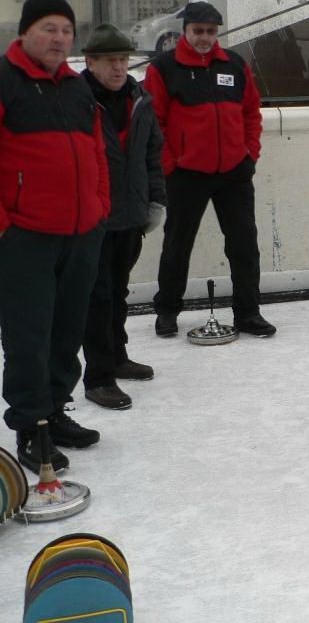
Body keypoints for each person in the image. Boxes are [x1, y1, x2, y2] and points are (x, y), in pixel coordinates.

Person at [0, 0, 108, 473]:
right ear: (26, 32)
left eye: (66, 30)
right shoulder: (5, 80)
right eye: (49, 28)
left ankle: (55, 411)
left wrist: (100, 207)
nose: (60, 38)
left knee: (68, 330)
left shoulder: (76, 84)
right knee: (29, 335)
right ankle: (30, 428)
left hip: (82, 232)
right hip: (26, 237)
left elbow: (97, 152)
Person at [145, 1, 276, 338]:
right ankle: (167, 311)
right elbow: (153, 122)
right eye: (198, 31)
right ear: (184, 31)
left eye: (210, 32)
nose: (204, 38)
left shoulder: (234, 65)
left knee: (244, 245)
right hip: (186, 173)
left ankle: (248, 313)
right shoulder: (164, 68)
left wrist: (250, 154)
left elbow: (251, 112)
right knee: (178, 244)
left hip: (234, 172)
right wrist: (170, 165)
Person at [80, 24, 166, 411]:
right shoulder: (76, 101)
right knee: (95, 298)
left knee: (117, 292)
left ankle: (117, 355)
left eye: (123, 60)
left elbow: (152, 154)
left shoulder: (139, 98)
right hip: (91, 218)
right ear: (90, 62)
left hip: (130, 215)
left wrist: (155, 202)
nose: (119, 68)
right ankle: (98, 377)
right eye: (110, 61)